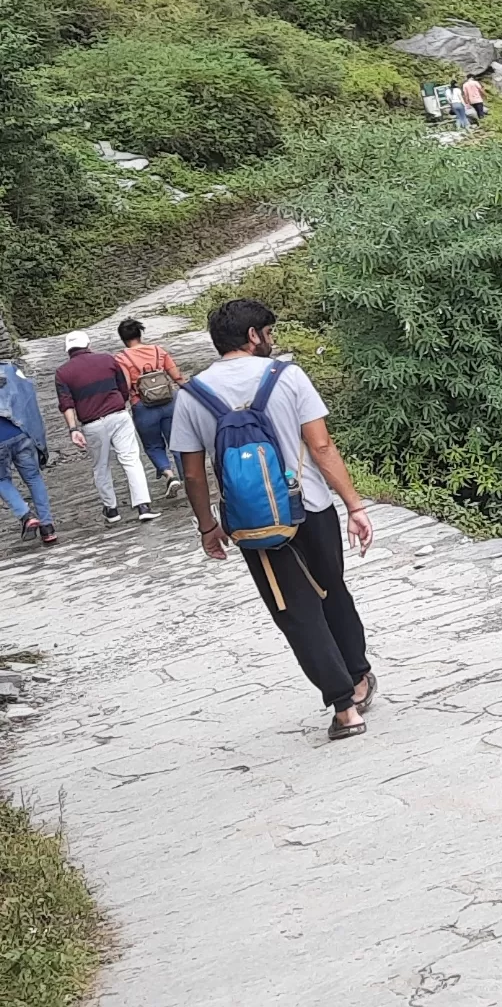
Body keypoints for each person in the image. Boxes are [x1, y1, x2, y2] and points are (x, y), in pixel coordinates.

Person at [170, 300, 375, 742]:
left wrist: (208, 526)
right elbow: (321, 447)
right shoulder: (288, 375)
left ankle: (344, 710)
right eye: (268, 332)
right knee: (331, 590)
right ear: (252, 336)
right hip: (312, 507)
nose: (272, 339)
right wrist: (355, 506)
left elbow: (191, 472)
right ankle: (359, 678)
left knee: (295, 611)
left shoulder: (190, 395)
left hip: (254, 524)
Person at [55, 330, 156, 524]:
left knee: (101, 466)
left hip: (92, 423)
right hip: (118, 415)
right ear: (88, 345)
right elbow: (123, 387)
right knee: (131, 460)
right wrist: (121, 403)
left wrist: (73, 429)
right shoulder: (107, 360)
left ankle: (111, 509)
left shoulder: (62, 373)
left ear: (68, 350)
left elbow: (66, 404)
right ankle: (143, 506)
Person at [116, 318, 186, 498]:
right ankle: (188, 479)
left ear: (123, 339)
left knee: (153, 446)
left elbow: (124, 386)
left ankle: (169, 475)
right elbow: (177, 377)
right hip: (170, 402)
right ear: (140, 334)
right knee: (177, 442)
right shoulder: (158, 351)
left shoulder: (122, 358)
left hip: (142, 406)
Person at [0, 357, 55, 545]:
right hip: (21, 431)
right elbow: (28, 394)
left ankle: (26, 515)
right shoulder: (10, 369)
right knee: (33, 477)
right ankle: (47, 527)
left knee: (1, 480)